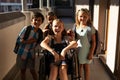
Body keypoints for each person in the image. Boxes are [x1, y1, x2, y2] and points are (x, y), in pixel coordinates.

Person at [16, 12, 44, 80]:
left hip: (31, 54)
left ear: (42, 22)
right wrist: (28, 41)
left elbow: (39, 43)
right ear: (32, 21)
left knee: (32, 70)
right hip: (22, 53)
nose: (37, 22)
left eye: (39, 20)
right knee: (23, 70)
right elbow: (19, 40)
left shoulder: (40, 32)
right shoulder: (26, 29)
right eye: (35, 20)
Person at [74, 8, 96, 80]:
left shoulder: (90, 28)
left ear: (88, 17)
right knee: (78, 67)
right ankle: (79, 78)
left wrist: (91, 53)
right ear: (77, 16)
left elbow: (93, 42)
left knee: (86, 67)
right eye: (80, 16)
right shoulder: (75, 26)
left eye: (85, 16)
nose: (82, 18)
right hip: (78, 51)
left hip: (86, 51)